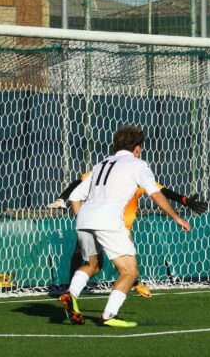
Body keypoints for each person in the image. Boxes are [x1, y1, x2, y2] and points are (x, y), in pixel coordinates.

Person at [59, 125, 192, 327]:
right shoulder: (138, 164)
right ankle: (108, 316)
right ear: (137, 149)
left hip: (84, 219)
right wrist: (177, 217)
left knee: (92, 265)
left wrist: (84, 220)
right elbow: (155, 193)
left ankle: (71, 293)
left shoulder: (100, 164)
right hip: (109, 222)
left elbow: (75, 196)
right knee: (130, 272)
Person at [48, 174, 206, 298]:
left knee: (108, 262)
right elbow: (79, 182)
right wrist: (62, 197)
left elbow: (162, 192)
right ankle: (78, 295)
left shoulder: (137, 178)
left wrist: (184, 200)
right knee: (92, 258)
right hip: (106, 224)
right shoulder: (108, 172)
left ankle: (73, 293)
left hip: (117, 226)